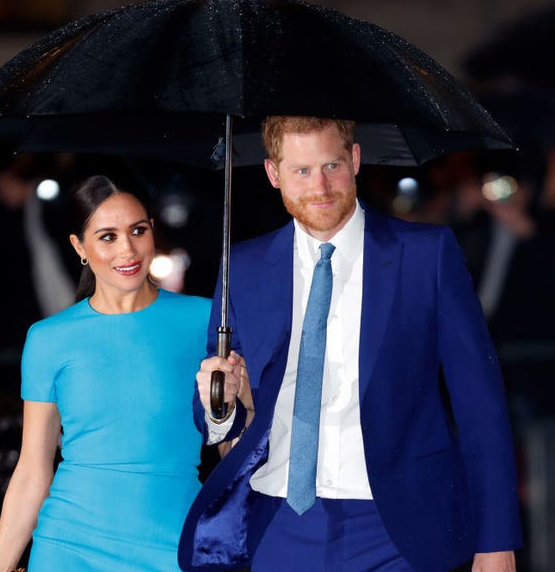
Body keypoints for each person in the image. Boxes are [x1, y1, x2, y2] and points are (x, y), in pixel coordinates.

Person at [179, 117, 522, 572]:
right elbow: (219, 415)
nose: (319, 186)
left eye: (332, 165)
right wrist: (219, 402)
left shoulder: (426, 254)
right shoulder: (243, 265)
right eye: (301, 171)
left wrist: (496, 541)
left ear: (355, 160)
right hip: (276, 519)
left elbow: (481, 407)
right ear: (273, 173)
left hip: (400, 528)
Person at [0, 174, 211, 572]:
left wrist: (239, 401)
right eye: (107, 236)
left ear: (152, 231)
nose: (127, 249)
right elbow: (33, 469)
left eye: (137, 231)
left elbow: (233, 447)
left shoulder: (205, 320)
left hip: (175, 543)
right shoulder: (48, 339)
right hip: (69, 546)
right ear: (80, 247)